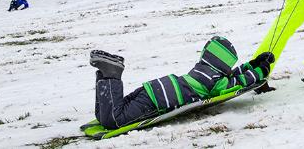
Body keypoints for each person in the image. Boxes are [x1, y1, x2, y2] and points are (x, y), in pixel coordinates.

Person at [87, 38, 272, 131]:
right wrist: (260, 71)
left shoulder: (202, 70)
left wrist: (253, 63)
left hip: (155, 87)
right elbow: (238, 82)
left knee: (105, 115)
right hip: (158, 101)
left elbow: (234, 76)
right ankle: (111, 73)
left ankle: (105, 73)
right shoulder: (216, 82)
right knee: (114, 121)